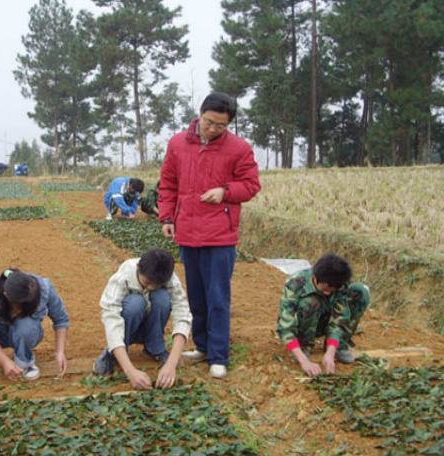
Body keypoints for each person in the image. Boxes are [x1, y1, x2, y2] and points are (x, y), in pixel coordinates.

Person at [158, 92, 261, 379]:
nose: (212, 129)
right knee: (197, 297)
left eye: (220, 126)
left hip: (219, 236)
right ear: (200, 113)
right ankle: (202, 347)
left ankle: (218, 355)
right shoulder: (178, 143)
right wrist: (167, 216)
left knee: (218, 297)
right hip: (187, 233)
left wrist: (225, 192)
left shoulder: (239, 148)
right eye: (209, 122)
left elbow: (251, 185)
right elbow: (168, 183)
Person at [92, 248, 192, 390]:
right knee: (135, 303)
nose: (152, 287)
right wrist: (130, 371)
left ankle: (154, 348)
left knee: (162, 298)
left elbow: (183, 315)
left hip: (151, 325)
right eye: (148, 282)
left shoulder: (169, 278)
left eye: (157, 284)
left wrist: (171, 364)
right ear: (139, 267)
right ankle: (113, 354)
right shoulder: (123, 277)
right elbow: (111, 319)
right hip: (127, 326)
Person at [0, 269, 69, 381]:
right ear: (6, 295)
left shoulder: (44, 287)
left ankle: (25, 364)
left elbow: (61, 319)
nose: (20, 310)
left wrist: (59, 352)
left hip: (27, 332)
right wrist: (4, 361)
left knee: (25, 326)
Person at [276, 253, 370, 377]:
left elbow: (339, 317)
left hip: (325, 318)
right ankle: (304, 346)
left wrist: (331, 351)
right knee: (310, 302)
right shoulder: (295, 283)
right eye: (325, 290)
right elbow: (285, 327)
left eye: (332, 291)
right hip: (306, 322)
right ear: (315, 278)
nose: (327, 294)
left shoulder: (340, 283)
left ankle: (340, 343)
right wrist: (303, 361)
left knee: (361, 291)